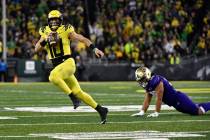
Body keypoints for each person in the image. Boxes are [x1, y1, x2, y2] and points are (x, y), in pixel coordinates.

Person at [35, 10, 108, 124]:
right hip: (59, 68)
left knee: (53, 76)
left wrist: (95, 49)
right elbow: (36, 49)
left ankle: (72, 97)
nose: (54, 22)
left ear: (61, 21)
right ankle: (101, 109)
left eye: (56, 20)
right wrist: (45, 40)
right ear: (48, 21)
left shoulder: (66, 29)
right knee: (78, 92)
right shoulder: (44, 31)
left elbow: (82, 38)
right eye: (52, 20)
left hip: (68, 63)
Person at [131, 66, 210, 117]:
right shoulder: (150, 83)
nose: (142, 82)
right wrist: (142, 111)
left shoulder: (156, 81)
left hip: (179, 99)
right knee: (194, 108)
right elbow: (147, 98)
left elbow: (159, 98)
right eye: (140, 80)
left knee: (197, 112)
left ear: (147, 75)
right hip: (175, 103)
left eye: (142, 79)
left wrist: (156, 112)